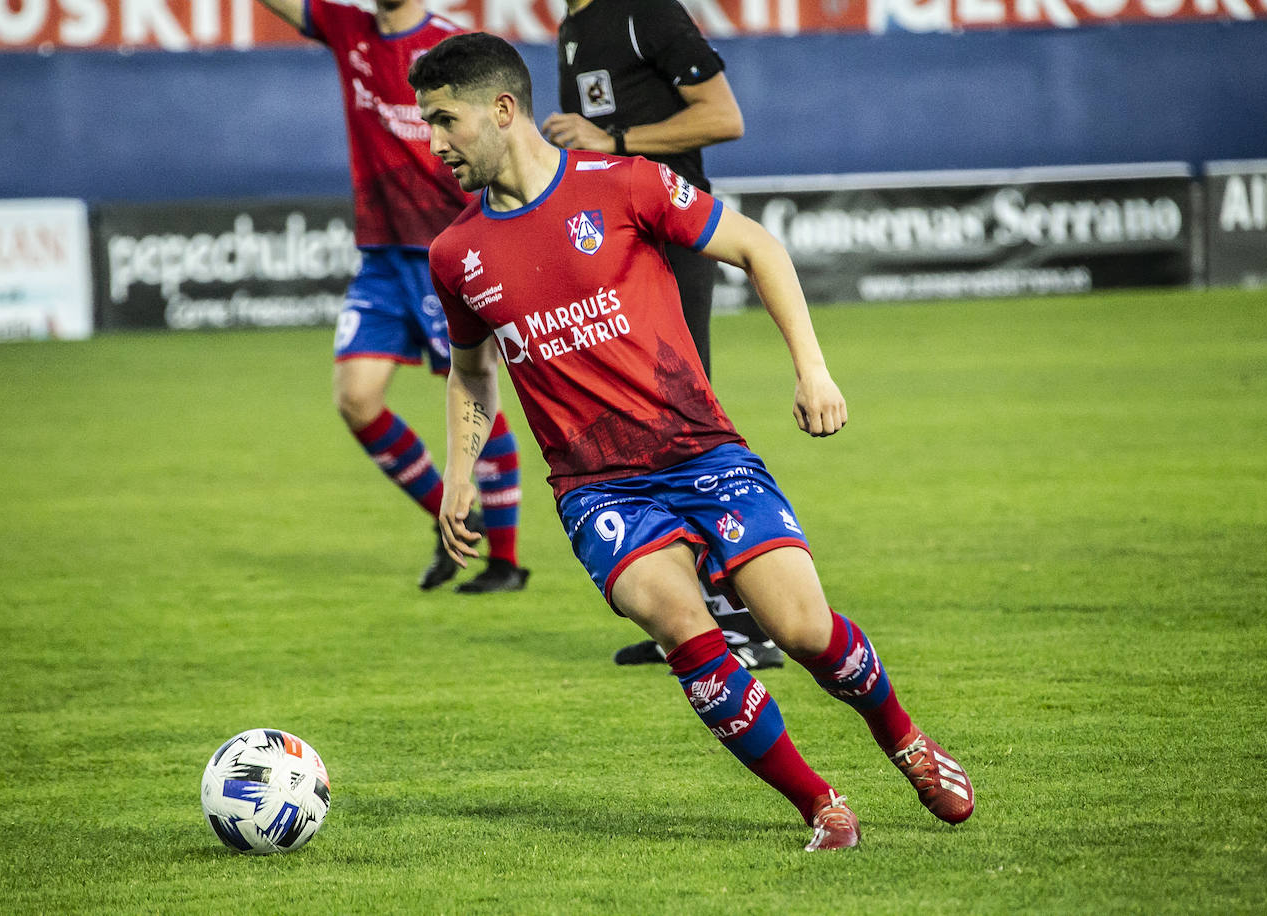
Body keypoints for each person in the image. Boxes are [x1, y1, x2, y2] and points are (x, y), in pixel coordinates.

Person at [411, 32, 975, 851]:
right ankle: (821, 805)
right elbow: (471, 372)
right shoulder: (456, 253)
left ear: (502, 109)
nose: (433, 143)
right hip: (596, 489)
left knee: (801, 628)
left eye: (444, 121)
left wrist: (812, 371)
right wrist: (460, 476)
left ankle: (907, 741)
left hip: (701, 452)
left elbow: (757, 246)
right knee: (680, 623)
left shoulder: (623, 184)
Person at [250, 0, 528, 593]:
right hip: (381, 252)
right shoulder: (346, 25)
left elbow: (507, 137)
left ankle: (504, 561)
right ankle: (454, 516)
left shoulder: (452, 48)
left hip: (445, 248)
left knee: (478, 397)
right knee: (357, 398)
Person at [540, 0, 780, 670]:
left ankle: (744, 620)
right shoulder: (573, 26)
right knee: (648, 430)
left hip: (672, 238)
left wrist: (611, 142)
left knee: (684, 429)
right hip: (621, 250)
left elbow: (723, 116)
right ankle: (696, 617)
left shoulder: (644, 10)